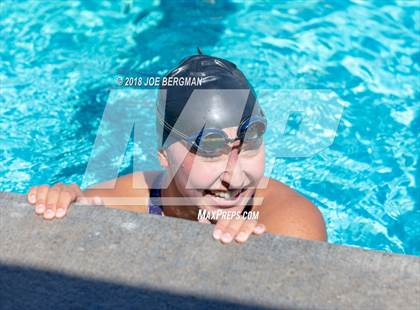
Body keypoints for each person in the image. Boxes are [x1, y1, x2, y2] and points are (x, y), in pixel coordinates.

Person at [26, 52, 327, 244]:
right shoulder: (119, 205)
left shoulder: (290, 223)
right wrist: (60, 206)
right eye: (210, 149)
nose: (234, 177)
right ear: (163, 156)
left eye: (248, 145)